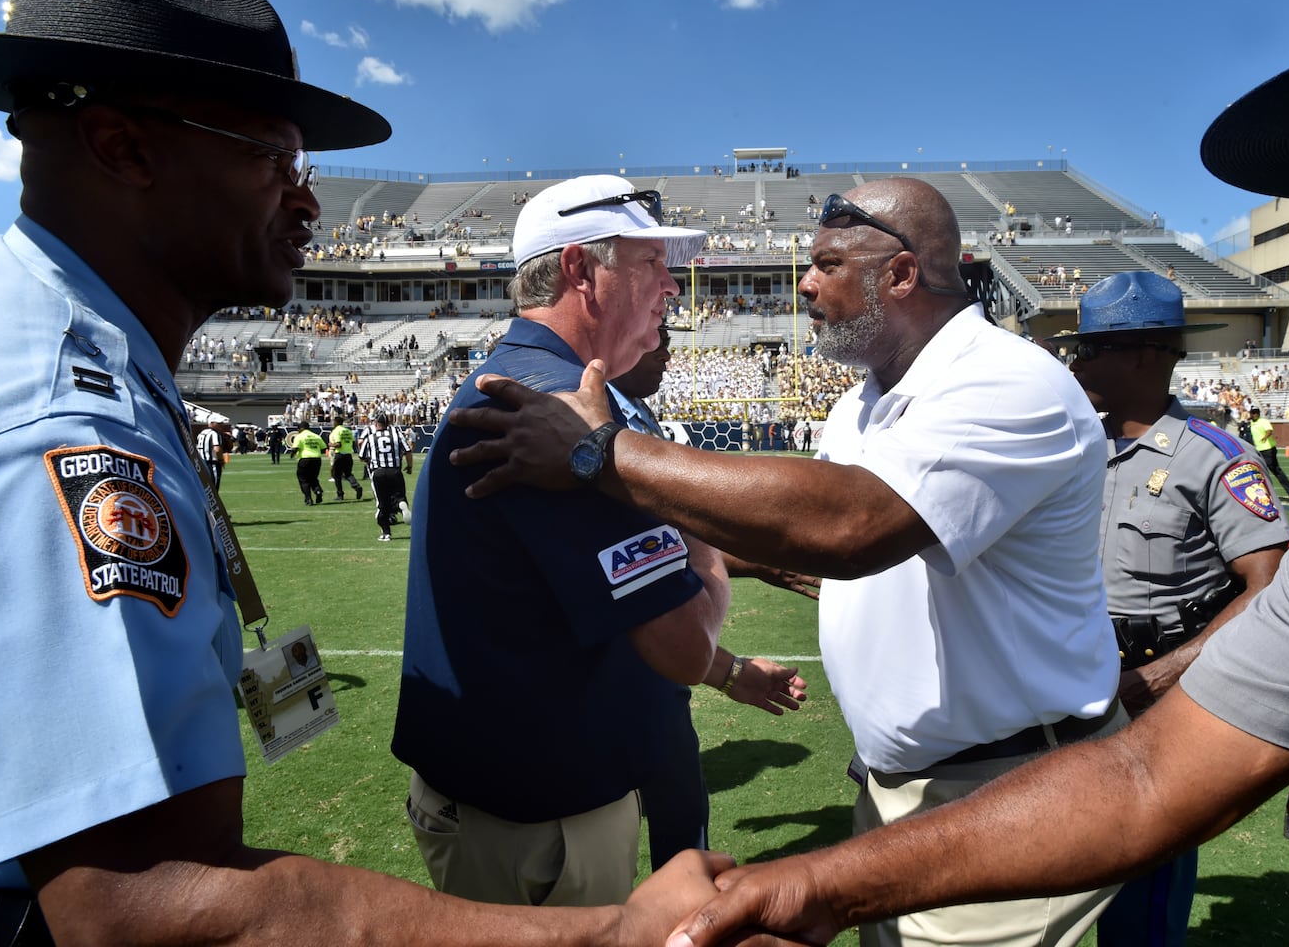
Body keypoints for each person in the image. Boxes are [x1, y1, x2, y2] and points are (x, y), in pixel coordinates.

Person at [655, 0, 1289, 944]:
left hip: (1015, 759)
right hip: (998, 782)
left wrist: (602, 456)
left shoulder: (1065, 405)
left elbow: (860, 528)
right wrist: (821, 883)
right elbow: (1143, 775)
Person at [0, 0, 723, 944]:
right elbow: (133, 901)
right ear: (122, 146)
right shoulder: (69, 413)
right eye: (273, 160)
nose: (308, 203)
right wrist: (603, 932)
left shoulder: (54, 334)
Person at [447, 177, 1126, 947]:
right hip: (909, 787)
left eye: (828, 264)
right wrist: (723, 566)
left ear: (901, 275)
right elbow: (805, 539)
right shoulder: (861, 400)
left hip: (1002, 790)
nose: (804, 282)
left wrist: (603, 455)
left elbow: (849, 525)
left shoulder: (1007, 379)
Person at [391, 175, 736, 909]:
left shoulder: (551, 386)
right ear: (582, 270)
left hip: (533, 802)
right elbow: (684, 648)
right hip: (535, 824)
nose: (671, 286)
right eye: (651, 263)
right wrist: (701, 548)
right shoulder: (549, 407)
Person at [1052, 271, 1289, 947]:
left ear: (1144, 353)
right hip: (1074, 680)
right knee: (1064, 859)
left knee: (1144, 887)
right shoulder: (1076, 450)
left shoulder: (1212, 458)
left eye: (1090, 349)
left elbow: (1268, 586)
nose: (1076, 363)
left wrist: (1164, 676)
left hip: (1162, 691)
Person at [608, 324, 813, 865]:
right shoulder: (596, 418)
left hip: (658, 687)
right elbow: (649, 578)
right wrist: (726, 668)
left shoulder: (630, 410)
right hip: (629, 687)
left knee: (682, 850)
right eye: (656, 334)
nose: (670, 350)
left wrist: (757, 561)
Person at [358, 411, 414, 541]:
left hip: (379, 472)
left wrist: (370, 462)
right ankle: (401, 504)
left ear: (376, 424)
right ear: (388, 424)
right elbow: (408, 451)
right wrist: (409, 466)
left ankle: (386, 533)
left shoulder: (371, 437)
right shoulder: (396, 434)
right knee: (398, 496)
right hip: (395, 471)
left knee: (382, 503)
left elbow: (361, 456)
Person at [1248, 406, 1289, 501]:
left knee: (1271, 471)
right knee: (1266, 471)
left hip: (1268, 450)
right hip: (1259, 450)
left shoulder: (1263, 421)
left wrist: (1265, 437)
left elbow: (1269, 430)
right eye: (1253, 413)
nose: (1255, 415)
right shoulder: (1252, 423)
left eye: (1256, 413)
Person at [289, 419, 327, 505]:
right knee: (313, 478)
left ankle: (308, 498)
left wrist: (292, 455)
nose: (298, 430)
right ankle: (318, 491)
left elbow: (295, 448)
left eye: (299, 429)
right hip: (317, 459)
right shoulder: (316, 436)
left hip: (305, 459)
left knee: (303, 480)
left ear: (302, 428)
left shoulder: (299, 436)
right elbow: (324, 448)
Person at [328, 414, 364, 501]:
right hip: (348, 455)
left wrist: (330, 444)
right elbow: (352, 442)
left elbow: (338, 444)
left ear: (336, 422)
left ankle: (340, 494)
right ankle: (357, 486)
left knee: (337, 476)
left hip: (340, 454)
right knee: (348, 474)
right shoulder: (347, 431)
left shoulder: (336, 431)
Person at [195, 416, 227, 489]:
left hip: (201, 463)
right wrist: (221, 460)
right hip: (212, 464)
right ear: (212, 423)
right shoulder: (214, 434)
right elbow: (217, 449)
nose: (221, 425)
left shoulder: (202, 433)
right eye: (219, 423)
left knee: (204, 487)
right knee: (213, 488)